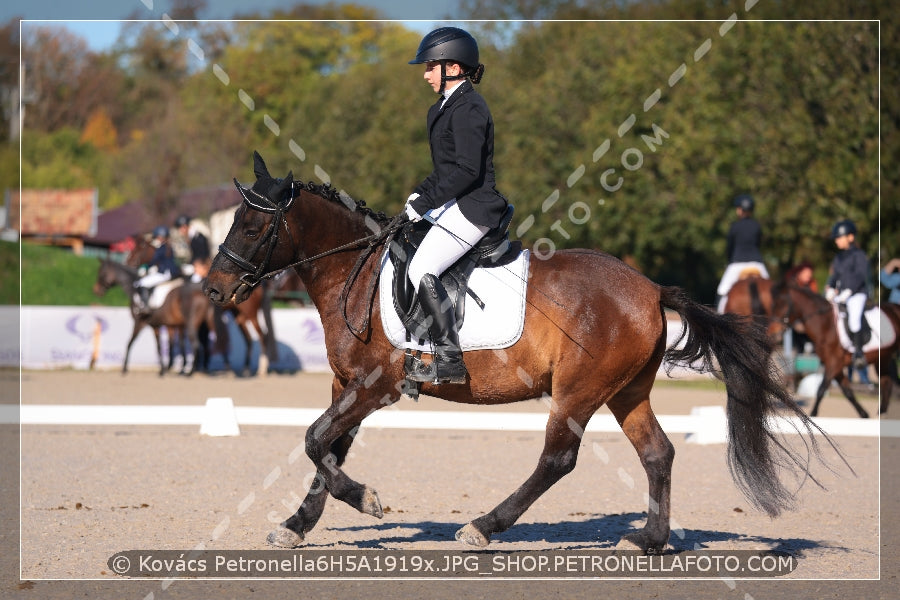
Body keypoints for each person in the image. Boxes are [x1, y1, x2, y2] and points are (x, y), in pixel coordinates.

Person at [402, 26, 509, 385]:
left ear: (454, 67)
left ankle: (449, 358)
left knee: (421, 269)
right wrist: (417, 198)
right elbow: (443, 171)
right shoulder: (443, 108)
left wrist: (428, 201)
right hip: (454, 203)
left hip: (475, 206)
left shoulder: (470, 108)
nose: (425, 73)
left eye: (431, 66)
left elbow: (466, 171)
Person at [825, 219, 869, 370]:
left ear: (850, 237)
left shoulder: (859, 255)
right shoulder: (839, 257)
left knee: (854, 319)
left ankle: (858, 353)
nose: (836, 240)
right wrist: (830, 287)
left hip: (857, 294)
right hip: (842, 293)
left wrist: (849, 290)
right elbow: (835, 274)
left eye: (839, 237)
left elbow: (861, 275)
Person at [716, 193, 769, 312]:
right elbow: (758, 244)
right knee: (772, 292)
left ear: (739, 210)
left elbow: (730, 247)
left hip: (737, 263)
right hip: (757, 263)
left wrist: (729, 261)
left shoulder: (734, 226)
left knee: (722, 291)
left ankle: (718, 318)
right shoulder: (757, 226)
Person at [133, 225, 179, 313]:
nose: (156, 239)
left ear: (161, 236)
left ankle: (145, 306)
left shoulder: (162, 248)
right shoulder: (168, 247)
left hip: (164, 273)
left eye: (157, 237)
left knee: (142, 283)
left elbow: (154, 260)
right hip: (169, 272)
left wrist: (146, 267)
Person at [175, 214, 211, 282]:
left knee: (193, 282)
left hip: (202, 267)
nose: (180, 231)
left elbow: (202, 256)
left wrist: (194, 267)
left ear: (184, 227)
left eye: (180, 229)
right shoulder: (191, 237)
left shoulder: (198, 238)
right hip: (196, 265)